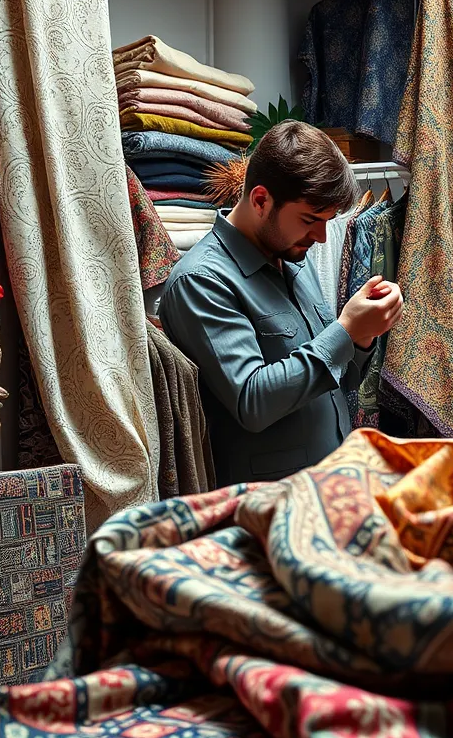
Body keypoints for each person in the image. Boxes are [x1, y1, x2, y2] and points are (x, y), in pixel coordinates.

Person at [159, 120, 403, 485]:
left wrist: (363, 334)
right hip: (267, 509)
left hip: (329, 489)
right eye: (310, 220)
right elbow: (252, 400)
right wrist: (345, 329)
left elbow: (340, 379)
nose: (321, 237)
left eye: (327, 222)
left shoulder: (291, 258)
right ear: (261, 200)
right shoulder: (201, 281)